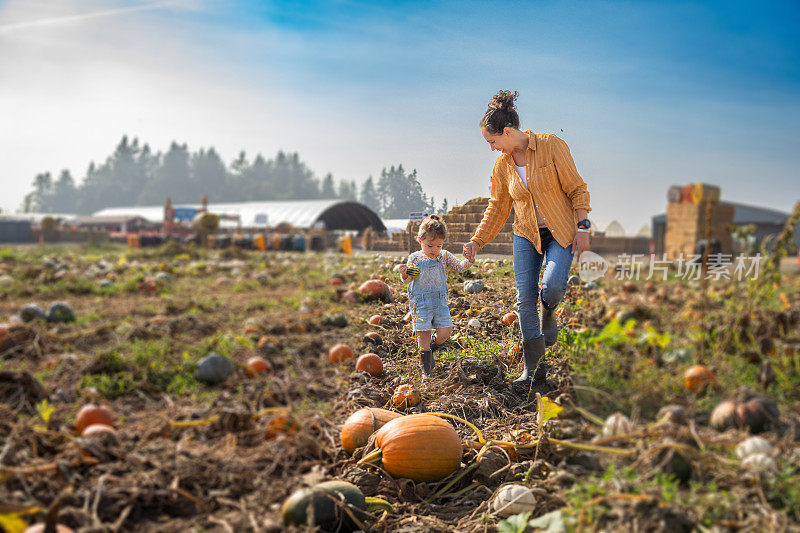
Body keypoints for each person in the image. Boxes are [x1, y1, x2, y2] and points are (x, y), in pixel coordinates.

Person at [462, 90, 592, 389]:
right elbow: (497, 207)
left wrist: (583, 227)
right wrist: (476, 241)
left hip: (561, 231)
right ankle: (534, 371)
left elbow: (577, 188)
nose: (493, 148)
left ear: (507, 132)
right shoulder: (502, 166)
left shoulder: (551, 145)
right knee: (524, 301)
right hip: (526, 235)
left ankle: (549, 310)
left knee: (554, 286)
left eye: (492, 142)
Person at [399, 215, 474, 376]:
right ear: (420, 240)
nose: (434, 250)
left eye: (438, 245)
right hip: (420, 303)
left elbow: (459, 267)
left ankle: (430, 348)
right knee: (423, 336)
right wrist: (405, 274)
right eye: (430, 246)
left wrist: (468, 261)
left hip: (440, 302)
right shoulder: (415, 258)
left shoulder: (444, 255)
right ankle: (427, 373)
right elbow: (408, 281)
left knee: (445, 332)